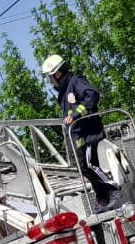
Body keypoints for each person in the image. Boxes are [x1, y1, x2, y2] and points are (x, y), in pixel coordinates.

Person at [41, 54, 121, 210]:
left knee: (89, 165)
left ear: (58, 74)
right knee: (84, 167)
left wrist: (75, 115)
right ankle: (102, 197)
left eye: (50, 77)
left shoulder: (75, 82)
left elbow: (92, 95)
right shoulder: (64, 92)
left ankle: (113, 188)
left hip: (88, 132)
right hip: (79, 136)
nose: (50, 81)